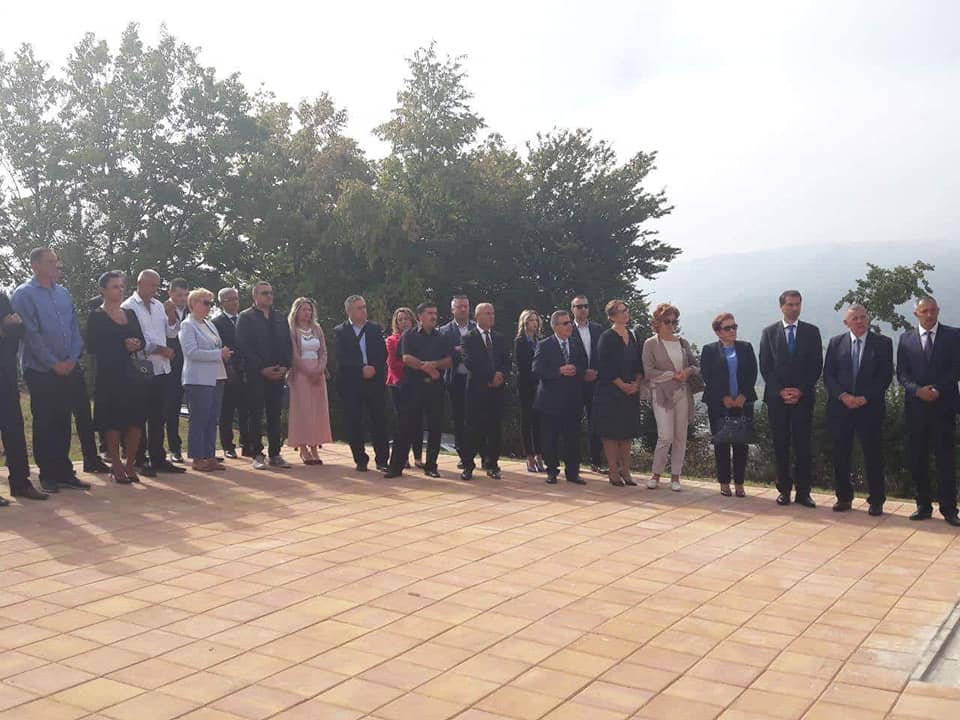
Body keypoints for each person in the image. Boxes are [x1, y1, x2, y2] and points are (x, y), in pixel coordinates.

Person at [11, 248, 91, 493]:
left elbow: (74, 328)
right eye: (50, 261)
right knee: (45, 420)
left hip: (68, 366)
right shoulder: (24, 294)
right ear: (35, 265)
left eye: (56, 261)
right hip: (40, 370)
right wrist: (53, 363)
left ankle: (64, 471)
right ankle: (47, 474)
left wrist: (72, 358)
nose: (57, 265)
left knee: (63, 420)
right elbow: (31, 334)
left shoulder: (63, 293)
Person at [823, 305, 894, 515]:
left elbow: (885, 376)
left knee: (873, 455)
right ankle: (844, 498)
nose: (860, 321)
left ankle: (876, 500)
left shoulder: (883, 343)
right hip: (841, 408)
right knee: (841, 455)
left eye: (863, 317)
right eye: (855, 318)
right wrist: (843, 396)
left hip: (869, 408)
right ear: (846, 323)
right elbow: (828, 375)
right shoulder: (836, 343)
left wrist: (865, 398)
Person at [896, 297, 960, 526]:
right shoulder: (905, 339)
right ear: (916, 314)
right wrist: (917, 391)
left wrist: (937, 389)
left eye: (933, 310)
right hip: (916, 408)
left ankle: (949, 509)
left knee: (945, 459)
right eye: (924, 311)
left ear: (938, 311)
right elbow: (902, 373)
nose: (929, 315)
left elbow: (956, 368)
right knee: (918, 458)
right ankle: (923, 506)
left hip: (944, 407)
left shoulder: (954, 335)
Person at [759, 290, 823, 507]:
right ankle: (784, 490)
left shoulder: (811, 332)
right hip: (777, 400)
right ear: (782, 307)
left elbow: (816, 365)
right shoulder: (769, 332)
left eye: (798, 304)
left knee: (803, 446)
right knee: (781, 444)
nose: (795, 308)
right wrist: (781, 391)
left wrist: (800, 390)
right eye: (790, 305)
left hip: (803, 399)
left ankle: (803, 492)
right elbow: (765, 366)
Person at [121, 270, 186, 478]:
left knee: (159, 416)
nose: (154, 289)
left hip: (162, 368)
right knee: (139, 416)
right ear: (140, 283)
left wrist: (172, 316)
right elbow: (135, 339)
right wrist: (159, 349)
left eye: (157, 286)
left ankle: (158, 457)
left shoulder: (159, 305)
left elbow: (171, 332)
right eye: (151, 285)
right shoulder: (128, 306)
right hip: (141, 368)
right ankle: (139, 459)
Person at [86, 271, 148, 484]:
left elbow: (142, 339)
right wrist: (121, 345)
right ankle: (116, 464)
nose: (120, 290)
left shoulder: (130, 313)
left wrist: (137, 344)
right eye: (115, 286)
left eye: (122, 286)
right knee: (113, 422)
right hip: (110, 375)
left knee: (136, 422)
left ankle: (130, 463)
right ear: (102, 290)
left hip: (132, 375)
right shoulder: (96, 316)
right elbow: (92, 346)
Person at [384, 302, 452, 479]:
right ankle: (396, 467)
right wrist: (426, 367)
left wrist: (435, 364)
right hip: (412, 387)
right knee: (405, 426)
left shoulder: (442, 337)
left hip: (435, 388)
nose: (433, 316)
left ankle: (431, 466)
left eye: (435, 313)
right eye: (429, 313)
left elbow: (449, 360)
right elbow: (406, 358)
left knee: (435, 427)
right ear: (420, 316)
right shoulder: (409, 335)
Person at [642, 303, 701, 492]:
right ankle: (656, 474)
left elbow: (695, 365)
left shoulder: (682, 343)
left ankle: (676, 476)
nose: (671, 325)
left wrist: (687, 372)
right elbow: (648, 371)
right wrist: (672, 375)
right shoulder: (651, 343)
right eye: (667, 321)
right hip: (661, 394)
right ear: (658, 322)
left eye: (674, 321)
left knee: (680, 436)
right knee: (665, 436)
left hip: (683, 393)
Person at [236, 281, 292, 470]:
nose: (269, 296)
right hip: (256, 375)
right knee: (255, 415)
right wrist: (261, 368)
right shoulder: (246, 317)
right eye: (264, 293)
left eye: (270, 293)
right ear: (255, 296)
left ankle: (275, 453)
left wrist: (285, 366)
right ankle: (256, 453)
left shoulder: (279, 317)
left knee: (275, 414)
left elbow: (287, 343)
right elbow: (243, 346)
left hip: (278, 374)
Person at [700, 313, 758, 497]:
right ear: (718, 332)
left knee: (741, 443)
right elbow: (707, 376)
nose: (732, 330)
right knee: (721, 443)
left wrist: (743, 395)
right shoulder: (709, 350)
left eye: (734, 327)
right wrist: (723, 396)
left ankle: (740, 483)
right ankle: (724, 482)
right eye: (727, 328)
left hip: (743, 402)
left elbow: (752, 373)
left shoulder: (746, 347)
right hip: (718, 404)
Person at [333, 295, 389, 472]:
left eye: (364, 307)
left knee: (379, 421)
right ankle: (360, 459)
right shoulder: (340, 331)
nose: (364, 310)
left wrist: (374, 367)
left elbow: (383, 353)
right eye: (359, 308)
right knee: (354, 422)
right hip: (351, 383)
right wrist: (360, 369)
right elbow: (340, 357)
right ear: (349, 311)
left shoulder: (374, 329)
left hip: (374, 381)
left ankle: (382, 460)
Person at [591, 300, 643, 487]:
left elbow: (639, 363)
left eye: (626, 310)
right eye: (621, 311)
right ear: (612, 316)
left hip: (630, 392)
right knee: (612, 433)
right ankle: (613, 470)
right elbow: (604, 366)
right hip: (610, 392)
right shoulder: (606, 337)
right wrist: (621, 385)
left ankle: (626, 471)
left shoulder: (633, 335)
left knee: (627, 433)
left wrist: (637, 383)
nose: (625, 313)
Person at [0, 290, 46, 502]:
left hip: (6, 376)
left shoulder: (1, 298)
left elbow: (18, 329)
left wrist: (8, 329)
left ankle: (20, 483)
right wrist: (5, 329)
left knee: (14, 430)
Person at [179, 288, 232, 472]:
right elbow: (191, 352)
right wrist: (218, 354)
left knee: (212, 418)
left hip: (217, 376)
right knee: (199, 418)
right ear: (193, 303)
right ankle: (197, 457)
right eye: (205, 302)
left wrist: (223, 354)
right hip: (198, 379)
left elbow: (216, 346)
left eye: (211, 303)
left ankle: (209, 455)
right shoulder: (188, 325)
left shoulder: (209, 324)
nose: (209, 306)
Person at [533, 310, 588, 486]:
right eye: (565, 323)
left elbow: (584, 365)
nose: (569, 326)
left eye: (570, 322)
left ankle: (573, 472)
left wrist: (576, 370)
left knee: (572, 437)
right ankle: (552, 471)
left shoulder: (576, 343)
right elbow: (537, 369)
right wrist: (558, 371)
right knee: (550, 438)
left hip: (572, 399)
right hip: (550, 400)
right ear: (555, 326)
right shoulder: (545, 345)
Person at [459, 303, 510, 481]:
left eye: (492, 313)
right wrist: (490, 376)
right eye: (487, 313)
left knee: (494, 429)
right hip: (477, 390)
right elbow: (470, 362)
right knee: (473, 429)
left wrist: (500, 375)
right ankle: (468, 465)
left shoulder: (499, 338)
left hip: (496, 391)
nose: (491, 316)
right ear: (477, 316)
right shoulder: (468, 338)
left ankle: (492, 464)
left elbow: (506, 361)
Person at [287, 297, 332, 465]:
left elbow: (323, 352)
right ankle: (303, 447)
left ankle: (315, 446)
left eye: (309, 310)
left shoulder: (316, 329)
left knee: (317, 410)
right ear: (296, 311)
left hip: (318, 373)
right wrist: (307, 371)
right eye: (304, 309)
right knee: (303, 410)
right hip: (300, 373)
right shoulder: (292, 330)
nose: (307, 313)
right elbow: (294, 354)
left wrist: (319, 369)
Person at [439, 295, 477, 464]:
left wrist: (460, 350)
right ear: (452, 310)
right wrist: (460, 351)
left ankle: (479, 453)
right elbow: (443, 354)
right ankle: (463, 455)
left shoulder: (477, 328)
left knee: (477, 417)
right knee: (460, 418)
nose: (463, 309)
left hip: (475, 379)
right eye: (459, 306)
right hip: (455, 380)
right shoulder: (444, 331)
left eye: (466, 306)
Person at [213, 287, 250, 459]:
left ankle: (246, 443)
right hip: (228, 370)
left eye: (236, 298)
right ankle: (228, 445)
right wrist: (227, 367)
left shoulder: (245, 319)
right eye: (230, 299)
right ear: (222, 303)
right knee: (226, 411)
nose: (235, 302)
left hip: (246, 370)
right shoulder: (216, 323)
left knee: (246, 409)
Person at [386, 307, 423, 468]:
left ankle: (418, 457)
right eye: (400, 320)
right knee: (402, 421)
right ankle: (403, 457)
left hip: (417, 383)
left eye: (406, 319)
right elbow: (393, 363)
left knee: (418, 420)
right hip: (398, 383)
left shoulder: (419, 337)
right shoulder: (392, 340)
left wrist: (418, 365)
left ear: (412, 320)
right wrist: (414, 364)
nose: (404, 322)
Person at [571, 295, 604, 472]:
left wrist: (596, 372)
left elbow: (603, 354)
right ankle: (574, 462)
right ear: (573, 309)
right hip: (575, 383)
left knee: (596, 423)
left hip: (596, 383)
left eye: (585, 306)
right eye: (579, 306)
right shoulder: (568, 330)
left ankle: (596, 462)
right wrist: (583, 373)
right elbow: (566, 356)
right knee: (574, 423)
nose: (583, 309)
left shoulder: (598, 329)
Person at [515, 310, 544, 473]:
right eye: (531, 320)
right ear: (525, 322)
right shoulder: (520, 341)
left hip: (540, 386)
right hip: (526, 386)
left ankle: (540, 455)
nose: (535, 323)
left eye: (536, 320)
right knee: (527, 421)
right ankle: (529, 456)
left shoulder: (540, 341)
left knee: (539, 422)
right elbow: (523, 366)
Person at [164, 278, 190, 463]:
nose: (182, 298)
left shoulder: (192, 311)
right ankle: (175, 448)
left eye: (185, 295)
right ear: (170, 293)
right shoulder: (161, 310)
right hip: (170, 366)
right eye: (179, 295)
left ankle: (200, 449)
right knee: (171, 408)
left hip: (190, 365)